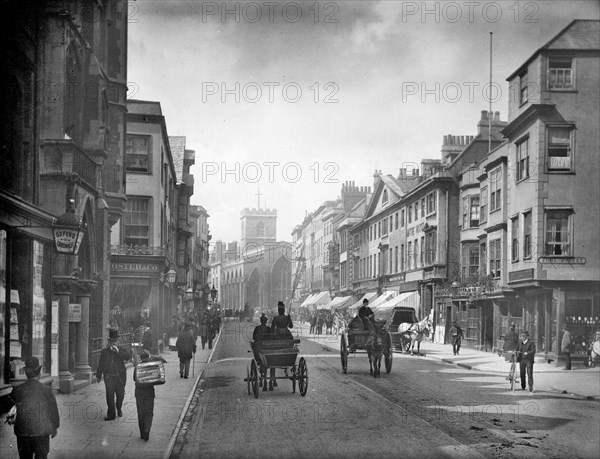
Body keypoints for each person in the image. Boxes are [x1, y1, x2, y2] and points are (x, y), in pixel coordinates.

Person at [9, 356, 59, 459]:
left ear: (26, 374)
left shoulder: (18, 390)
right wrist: (55, 427)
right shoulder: (47, 390)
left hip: (23, 432)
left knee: (25, 457)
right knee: (41, 456)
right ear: (39, 373)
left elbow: (9, 406)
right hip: (42, 432)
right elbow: (53, 411)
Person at [96, 328, 131, 420]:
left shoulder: (121, 350)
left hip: (120, 377)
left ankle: (118, 407)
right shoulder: (105, 351)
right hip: (109, 377)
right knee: (109, 395)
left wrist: (118, 351)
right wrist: (99, 375)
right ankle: (111, 414)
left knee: (120, 395)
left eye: (114, 341)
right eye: (111, 341)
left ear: (117, 341)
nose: (113, 343)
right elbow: (101, 363)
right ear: (108, 341)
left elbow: (128, 357)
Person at [133, 351, 165, 441]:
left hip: (139, 393)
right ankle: (147, 428)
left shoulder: (138, 366)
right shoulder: (152, 366)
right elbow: (157, 378)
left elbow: (134, 378)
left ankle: (142, 434)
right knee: (149, 412)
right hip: (149, 393)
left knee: (141, 413)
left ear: (141, 358)